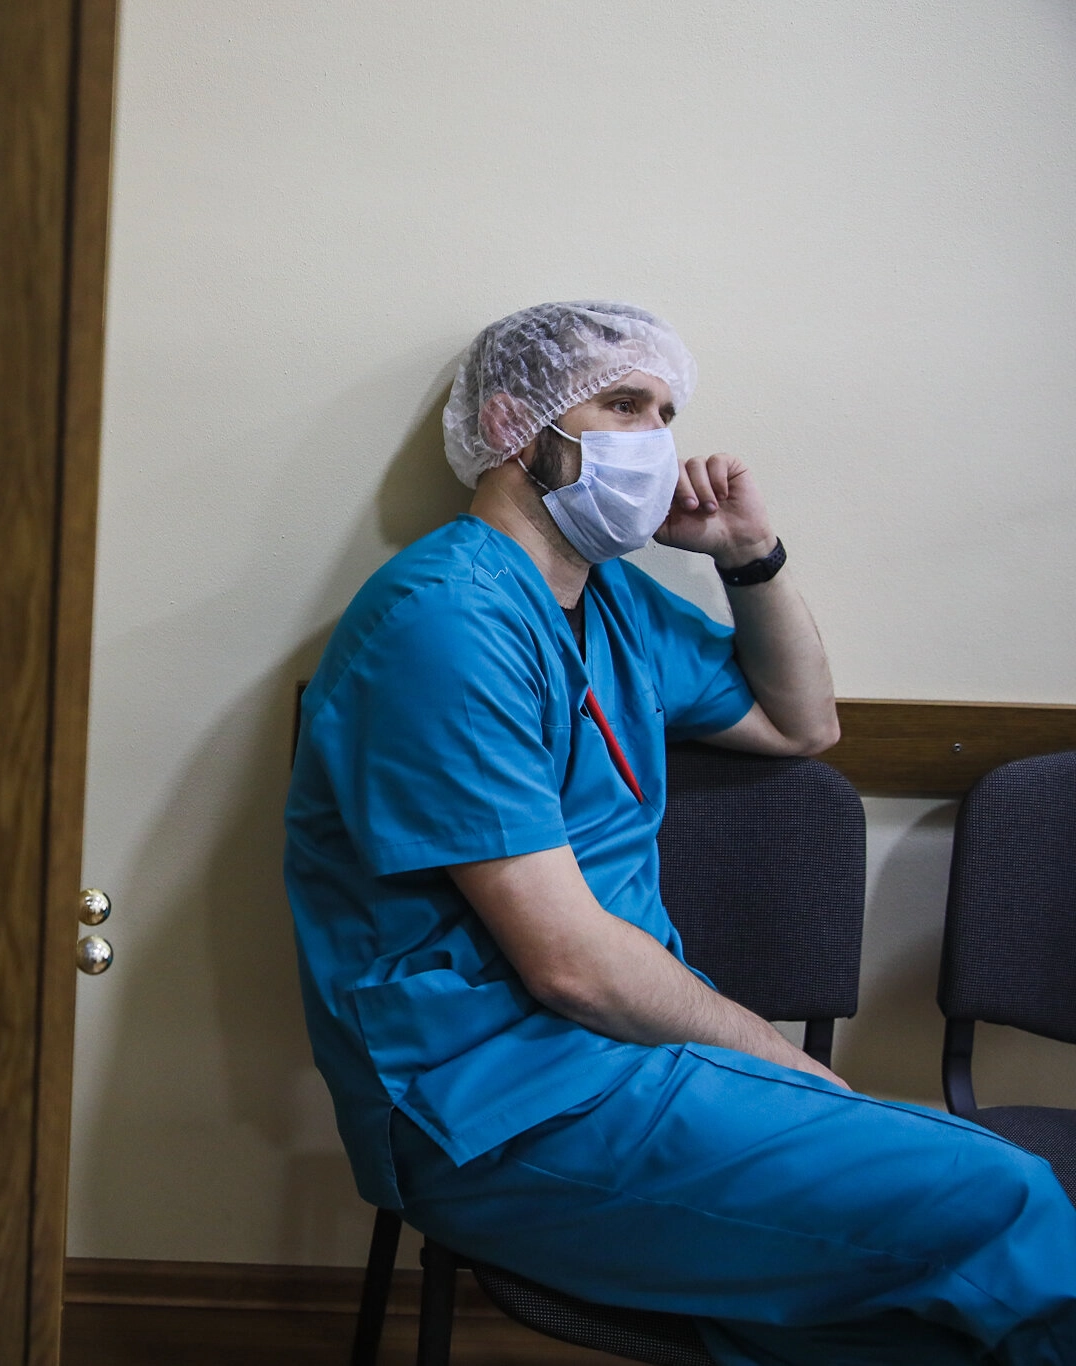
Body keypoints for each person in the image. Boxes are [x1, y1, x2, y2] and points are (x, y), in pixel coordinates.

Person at [286, 302, 1076, 1364]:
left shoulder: (606, 605)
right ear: (516, 424)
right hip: (493, 1103)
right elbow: (567, 964)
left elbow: (803, 725)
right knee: (1000, 1195)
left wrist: (748, 554)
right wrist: (792, 1072)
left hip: (617, 1059)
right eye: (620, 405)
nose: (652, 439)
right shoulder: (445, 620)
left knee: (940, 1280)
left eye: (663, 411)